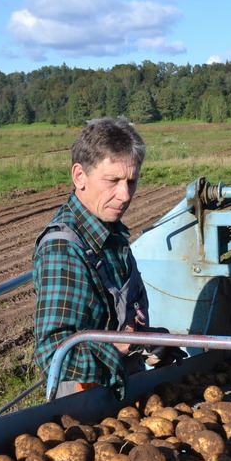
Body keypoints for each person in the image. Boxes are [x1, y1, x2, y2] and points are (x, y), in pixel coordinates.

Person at [33, 117, 173, 398]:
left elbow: (118, 325)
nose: (124, 195)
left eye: (131, 181)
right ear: (79, 176)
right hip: (85, 402)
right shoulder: (64, 249)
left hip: (120, 389)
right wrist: (119, 346)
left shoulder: (112, 234)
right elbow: (52, 354)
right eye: (113, 181)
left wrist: (149, 340)